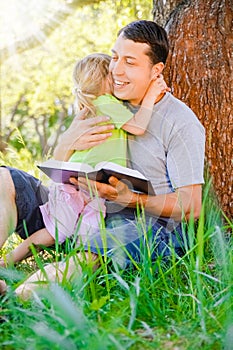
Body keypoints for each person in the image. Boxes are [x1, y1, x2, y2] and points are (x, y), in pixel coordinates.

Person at [0, 20, 205, 298]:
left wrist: (131, 200)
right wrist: (66, 143)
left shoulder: (180, 122)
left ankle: (14, 302)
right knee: (3, 178)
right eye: (115, 57)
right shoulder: (101, 101)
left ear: (156, 71)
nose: (117, 69)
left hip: (141, 221)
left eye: (130, 62)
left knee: (91, 252)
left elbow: (191, 206)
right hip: (79, 207)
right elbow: (61, 165)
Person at [0, 52, 168, 267]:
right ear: (107, 79)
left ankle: (45, 268)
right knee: (56, 232)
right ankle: (7, 264)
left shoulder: (95, 105)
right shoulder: (106, 102)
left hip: (88, 192)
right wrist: (152, 95)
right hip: (78, 189)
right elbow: (137, 126)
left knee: (79, 235)